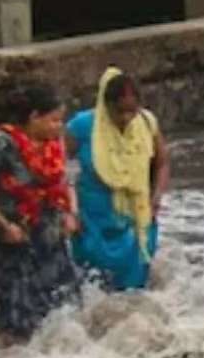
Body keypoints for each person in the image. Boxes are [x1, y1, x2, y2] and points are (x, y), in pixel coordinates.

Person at [0, 84, 82, 347]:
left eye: (60, 120)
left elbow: (64, 182)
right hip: (14, 246)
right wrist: (5, 225)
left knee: (66, 313)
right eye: (53, 120)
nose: (59, 126)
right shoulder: (1, 145)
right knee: (16, 326)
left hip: (50, 241)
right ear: (33, 117)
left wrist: (71, 213)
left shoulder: (54, 144)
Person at [65, 66, 171, 291]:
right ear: (106, 105)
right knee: (91, 286)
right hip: (92, 222)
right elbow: (56, 166)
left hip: (137, 219)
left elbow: (162, 163)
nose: (126, 118)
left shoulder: (147, 124)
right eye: (119, 111)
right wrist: (69, 209)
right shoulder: (83, 126)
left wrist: (156, 196)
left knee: (133, 291)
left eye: (132, 111)